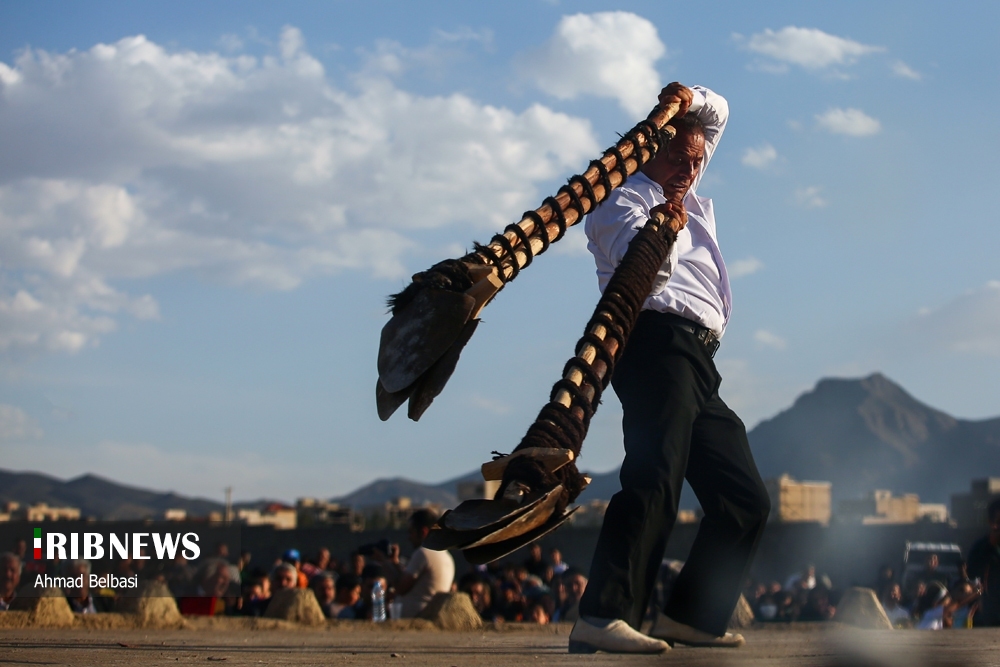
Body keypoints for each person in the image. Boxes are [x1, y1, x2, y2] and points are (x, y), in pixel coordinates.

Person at [571, 81, 771, 654]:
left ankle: (692, 616)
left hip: (696, 358)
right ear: (649, 153)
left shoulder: (681, 182)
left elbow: (720, 113)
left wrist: (686, 99)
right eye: (679, 156)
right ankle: (602, 613)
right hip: (652, 343)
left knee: (744, 499)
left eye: (697, 158)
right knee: (656, 472)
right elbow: (647, 268)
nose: (692, 165)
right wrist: (671, 222)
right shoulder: (624, 201)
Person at [379, 509, 455, 618]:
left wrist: (384, 562)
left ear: (423, 531)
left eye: (411, 532)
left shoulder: (423, 553)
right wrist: (395, 563)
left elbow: (401, 588)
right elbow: (413, 578)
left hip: (416, 620)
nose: (409, 537)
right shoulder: (446, 556)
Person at [967, 497, 1000, 626]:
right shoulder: (981, 547)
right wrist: (990, 546)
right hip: (990, 610)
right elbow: (972, 573)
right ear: (992, 523)